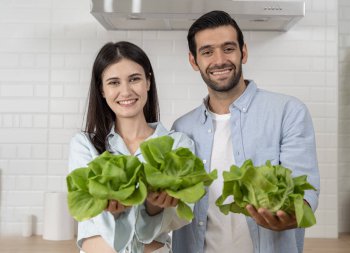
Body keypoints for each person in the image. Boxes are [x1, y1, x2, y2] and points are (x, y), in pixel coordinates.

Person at [171, 10, 320, 253]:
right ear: (193, 61)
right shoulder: (182, 128)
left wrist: (290, 214)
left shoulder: (288, 112)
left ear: (244, 52)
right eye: (207, 52)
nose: (219, 60)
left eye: (228, 48)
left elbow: (304, 196)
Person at [68, 41, 194, 253]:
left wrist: (155, 208)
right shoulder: (84, 144)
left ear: (148, 82)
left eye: (134, 79)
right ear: (102, 89)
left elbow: (182, 215)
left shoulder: (178, 144)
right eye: (114, 82)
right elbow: (87, 211)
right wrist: (116, 212)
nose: (125, 91)